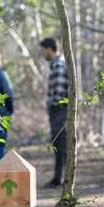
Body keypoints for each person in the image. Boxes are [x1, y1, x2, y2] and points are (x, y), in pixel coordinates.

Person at [40, 38, 68, 188]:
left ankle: (60, 178)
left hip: (59, 111)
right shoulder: (56, 65)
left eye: (43, 50)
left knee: (60, 144)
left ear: (49, 49)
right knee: (58, 144)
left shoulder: (58, 66)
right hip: (57, 112)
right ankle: (58, 177)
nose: (43, 54)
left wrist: (53, 107)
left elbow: (59, 93)